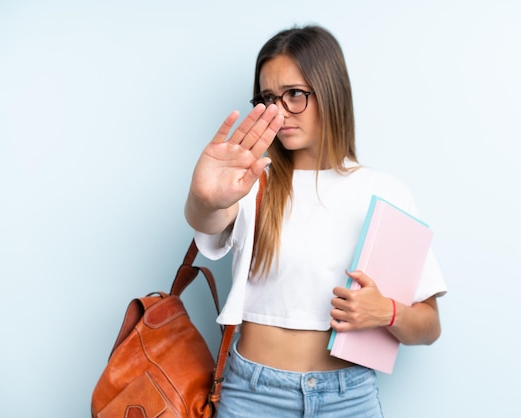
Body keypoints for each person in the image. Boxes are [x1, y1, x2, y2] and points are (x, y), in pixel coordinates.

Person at [185, 25, 447, 418]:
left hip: (349, 398)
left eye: (294, 95)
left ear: (330, 92)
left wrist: (386, 312)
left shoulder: (385, 192)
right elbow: (208, 220)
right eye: (269, 98)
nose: (279, 112)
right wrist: (203, 198)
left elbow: (429, 326)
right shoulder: (254, 181)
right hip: (254, 396)